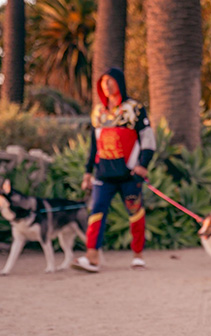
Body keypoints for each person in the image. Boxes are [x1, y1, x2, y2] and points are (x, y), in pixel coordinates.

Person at [72, 67, 156, 273]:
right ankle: (92, 257)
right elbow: (94, 145)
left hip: (129, 174)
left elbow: (147, 139)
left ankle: (138, 255)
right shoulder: (98, 113)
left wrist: (143, 165)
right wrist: (87, 172)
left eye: (110, 81)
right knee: (96, 211)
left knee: (135, 212)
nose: (106, 85)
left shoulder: (134, 109)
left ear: (120, 83)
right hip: (103, 175)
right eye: (103, 82)